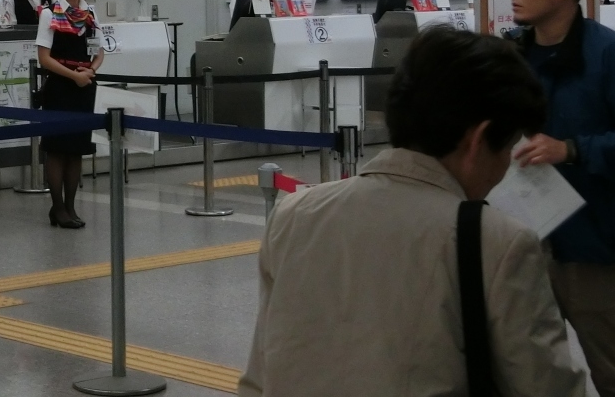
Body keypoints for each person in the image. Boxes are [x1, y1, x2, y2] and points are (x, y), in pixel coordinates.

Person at [239, 25, 585, 397]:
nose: (505, 168)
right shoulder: (500, 242)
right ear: (478, 140)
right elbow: (546, 388)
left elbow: (258, 380)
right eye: (509, 148)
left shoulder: (292, 215)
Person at [508, 0, 615, 395]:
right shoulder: (512, 58)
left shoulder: (606, 55)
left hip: (595, 254)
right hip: (521, 250)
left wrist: (570, 149)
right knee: (527, 377)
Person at [35, 0, 103, 229]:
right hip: (60, 87)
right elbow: (44, 58)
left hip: (84, 86)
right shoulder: (49, 13)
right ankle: (57, 207)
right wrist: (74, 75)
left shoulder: (90, 14)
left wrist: (90, 71)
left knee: (77, 149)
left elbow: (100, 51)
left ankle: (71, 206)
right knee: (57, 149)